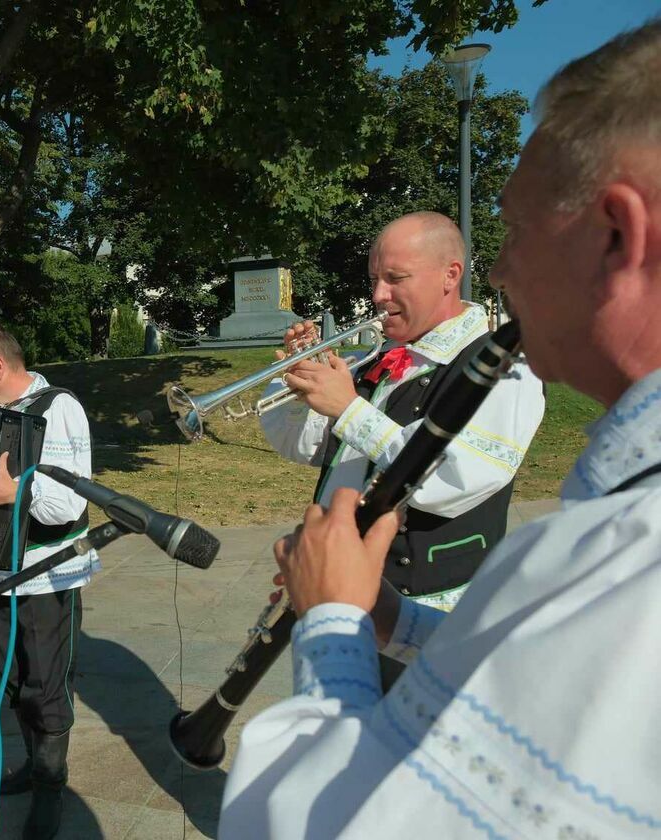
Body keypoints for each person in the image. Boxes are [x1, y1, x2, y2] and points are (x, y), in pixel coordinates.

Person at [221, 21, 661, 838]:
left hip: (430, 586)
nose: (503, 268)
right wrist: (302, 393)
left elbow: (337, 820)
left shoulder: (627, 553)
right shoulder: (618, 508)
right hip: (401, 610)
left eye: (518, 230)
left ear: (620, 236)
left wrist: (333, 632)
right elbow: (310, 448)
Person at [260, 212, 545, 673]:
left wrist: (350, 410)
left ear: (450, 275)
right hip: (343, 598)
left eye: (396, 279)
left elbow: (454, 480)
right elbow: (303, 445)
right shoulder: (377, 360)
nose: (378, 296)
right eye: (375, 278)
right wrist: (299, 383)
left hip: (432, 622)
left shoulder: (509, 370)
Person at [0, 322, 96, 839]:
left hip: (45, 572)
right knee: (10, 676)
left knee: (46, 682)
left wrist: (11, 492)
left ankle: (51, 785)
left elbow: (70, 501)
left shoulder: (59, 407)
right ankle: (32, 763)